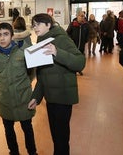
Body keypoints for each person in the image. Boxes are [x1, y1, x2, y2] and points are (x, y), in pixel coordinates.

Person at [27, 13, 86, 155]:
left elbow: (80, 62)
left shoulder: (61, 39)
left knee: (61, 137)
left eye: (38, 24)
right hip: (51, 97)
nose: (35, 28)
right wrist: (36, 96)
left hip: (63, 97)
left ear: (48, 25)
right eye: (33, 25)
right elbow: (42, 76)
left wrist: (57, 52)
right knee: (56, 135)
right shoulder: (41, 42)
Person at [0, 22, 37, 155]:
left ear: (12, 36)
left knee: (27, 128)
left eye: (6, 34)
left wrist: (24, 84)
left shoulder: (24, 51)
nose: (2, 38)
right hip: (5, 100)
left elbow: (31, 72)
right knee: (8, 129)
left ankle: (32, 152)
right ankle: (13, 152)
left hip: (23, 98)